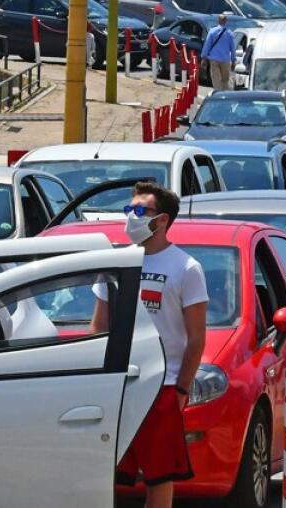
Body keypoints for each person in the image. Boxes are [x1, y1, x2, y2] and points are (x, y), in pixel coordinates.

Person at [91, 182, 207, 507]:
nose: (131, 216)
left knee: (160, 475)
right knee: (107, 474)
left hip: (162, 385)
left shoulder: (186, 268)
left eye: (140, 210)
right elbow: (98, 327)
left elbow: (197, 337)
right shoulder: (115, 264)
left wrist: (181, 389)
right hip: (119, 383)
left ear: (162, 220)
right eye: (129, 209)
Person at [199, 13, 237, 90]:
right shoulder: (229, 33)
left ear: (218, 21)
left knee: (216, 80)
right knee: (225, 81)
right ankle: (224, 94)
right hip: (225, 60)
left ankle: (217, 93)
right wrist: (233, 60)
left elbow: (207, 45)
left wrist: (204, 58)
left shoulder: (212, 32)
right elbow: (233, 48)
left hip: (214, 60)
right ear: (226, 21)